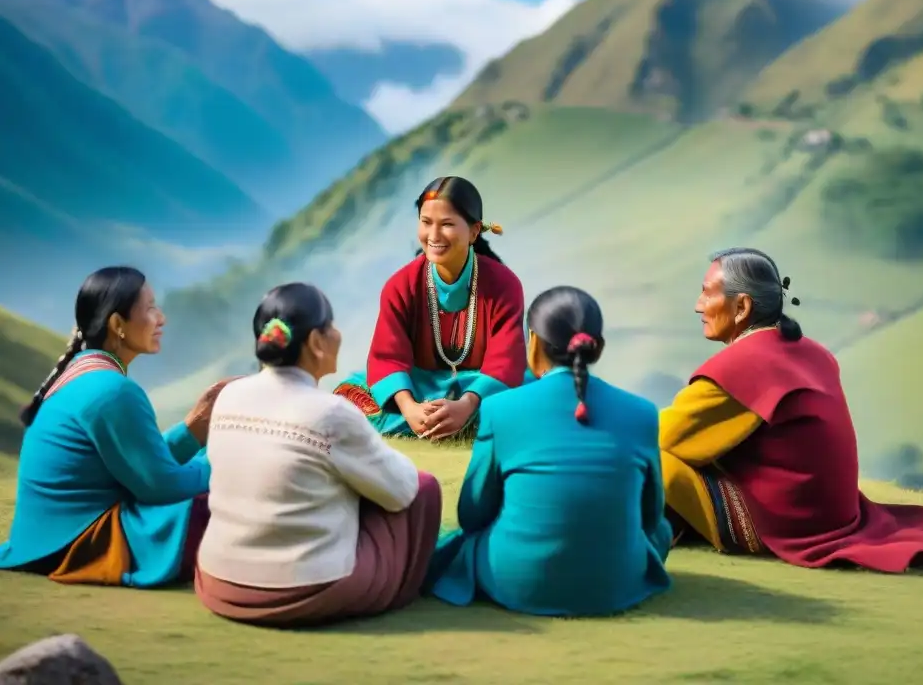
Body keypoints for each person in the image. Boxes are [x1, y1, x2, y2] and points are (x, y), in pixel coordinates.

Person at [659, 248, 923, 572]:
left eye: (706, 294)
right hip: (830, 514)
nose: (698, 306)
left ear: (742, 305)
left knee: (647, 458)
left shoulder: (745, 367)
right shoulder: (807, 351)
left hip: (785, 523)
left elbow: (663, 436)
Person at [194, 282, 442, 627]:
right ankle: (402, 590)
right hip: (303, 590)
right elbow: (402, 490)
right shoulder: (331, 413)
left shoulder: (228, 395)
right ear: (315, 342)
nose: (338, 334)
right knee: (424, 487)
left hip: (218, 581)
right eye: (332, 327)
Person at [425, 286, 673, 616]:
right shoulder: (643, 411)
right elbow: (651, 517)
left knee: (460, 542)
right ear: (597, 346)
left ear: (533, 341)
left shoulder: (500, 408)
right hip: (615, 584)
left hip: (517, 580)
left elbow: (473, 514)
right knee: (663, 532)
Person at [0, 266, 229, 587]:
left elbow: (140, 462)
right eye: (150, 308)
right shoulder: (111, 389)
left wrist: (195, 428)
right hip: (81, 541)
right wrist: (229, 457)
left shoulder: (85, 374)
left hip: (45, 538)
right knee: (230, 503)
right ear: (118, 324)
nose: (161, 319)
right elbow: (162, 486)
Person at [335, 176, 527, 440]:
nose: (433, 236)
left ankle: (456, 421)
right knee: (350, 395)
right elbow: (387, 357)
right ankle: (441, 424)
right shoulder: (401, 285)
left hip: (481, 385)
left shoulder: (505, 285)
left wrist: (467, 405)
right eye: (426, 223)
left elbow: (506, 360)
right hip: (417, 386)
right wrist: (409, 408)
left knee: (529, 393)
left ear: (474, 231)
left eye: (447, 224)